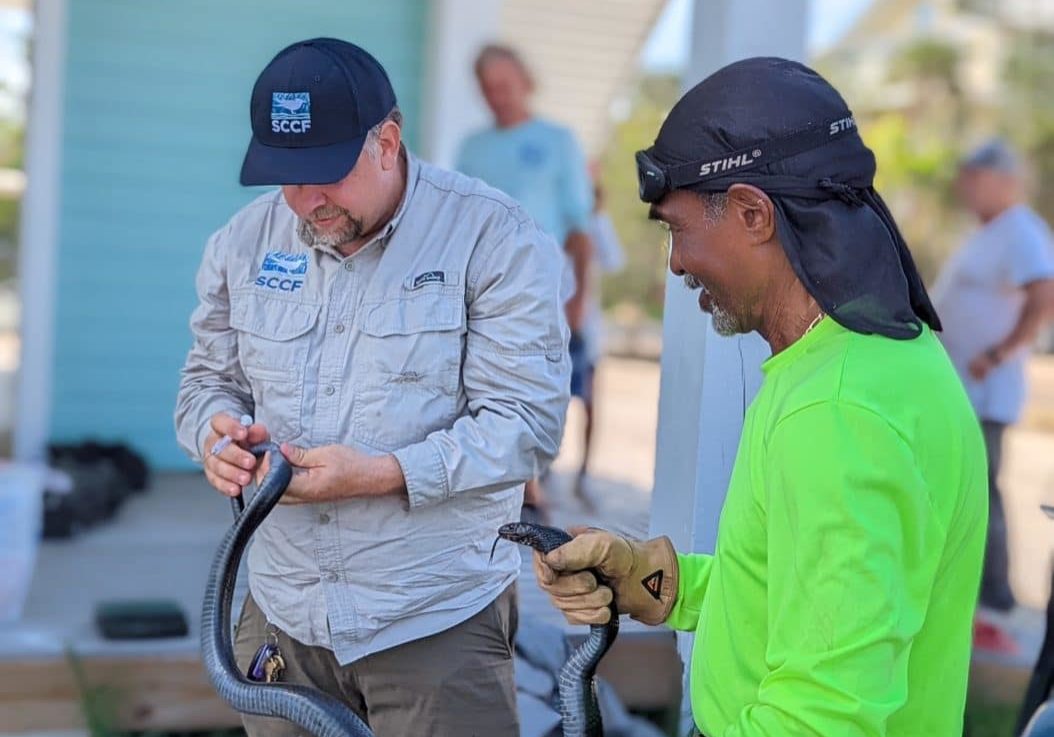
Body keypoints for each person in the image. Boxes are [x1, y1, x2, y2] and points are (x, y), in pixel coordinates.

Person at [533, 57, 987, 737]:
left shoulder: (837, 411)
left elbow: (822, 715)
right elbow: (802, 603)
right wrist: (657, 582)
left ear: (752, 212)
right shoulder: (867, 363)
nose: (676, 263)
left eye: (676, 229)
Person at [174, 38, 571, 737]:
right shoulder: (242, 243)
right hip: (281, 616)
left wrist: (384, 474)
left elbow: (526, 426)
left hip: (430, 620)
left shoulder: (494, 238)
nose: (307, 199)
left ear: (387, 141)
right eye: (286, 175)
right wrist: (216, 434)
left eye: (326, 171)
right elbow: (207, 380)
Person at [456, 43, 595, 515]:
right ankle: (508, 483)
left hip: (544, 290)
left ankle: (530, 480)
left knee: (536, 384)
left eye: (504, 84)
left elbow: (580, 227)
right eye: (487, 87)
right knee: (486, 380)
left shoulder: (558, 141)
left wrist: (581, 298)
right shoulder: (472, 148)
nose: (496, 95)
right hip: (483, 286)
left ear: (525, 81)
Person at [931, 138, 1054, 627]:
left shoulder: (1020, 231)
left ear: (1004, 181)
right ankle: (969, 589)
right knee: (962, 487)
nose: (966, 189)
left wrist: (998, 354)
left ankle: (995, 598)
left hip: (986, 390)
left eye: (974, 179)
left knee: (981, 489)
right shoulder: (986, 232)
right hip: (959, 388)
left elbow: (1044, 297)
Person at [571, 174, 626, 498]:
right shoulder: (557, 220)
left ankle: (584, 470)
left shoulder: (593, 225)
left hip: (586, 329)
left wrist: (599, 215)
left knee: (590, 400)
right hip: (552, 325)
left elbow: (615, 260)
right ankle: (544, 470)